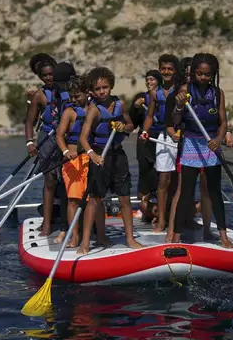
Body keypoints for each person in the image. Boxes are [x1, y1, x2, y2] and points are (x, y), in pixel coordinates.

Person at [171, 53, 233, 248]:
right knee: (186, 193)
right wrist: (178, 105)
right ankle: (176, 236)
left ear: (213, 74)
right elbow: (175, 121)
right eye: (199, 74)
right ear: (193, 74)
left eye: (207, 75)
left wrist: (218, 139)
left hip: (211, 144)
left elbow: (223, 122)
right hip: (191, 143)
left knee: (214, 191)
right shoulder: (185, 90)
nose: (203, 78)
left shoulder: (218, 94)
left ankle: (223, 236)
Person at [78, 67, 144, 255]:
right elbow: (83, 137)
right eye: (98, 89)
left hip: (117, 154)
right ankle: (85, 243)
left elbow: (131, 125)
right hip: (99, 156)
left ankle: (130, 239)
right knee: (94, 200)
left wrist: (124, 127)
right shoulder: (93, 110)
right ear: (92, 91)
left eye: (105, 87)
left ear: (111, 86)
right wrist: (91, 154)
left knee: (124, 198)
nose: (102, 92)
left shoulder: (119, 104)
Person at [24, 55, 72, 236]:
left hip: (68, 138)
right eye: (45, 76)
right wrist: (30, 143)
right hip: (48, 138)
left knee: (68, 180)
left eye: (52, 74)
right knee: (50, 181)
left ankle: (69, 222)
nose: (49, 78)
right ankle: (46, 224)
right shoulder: (39, 95)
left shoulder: (68, 90)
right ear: (40, 77)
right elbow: (29, 122)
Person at [140, 55, 180, 233]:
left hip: (182, 135)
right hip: (163, 137)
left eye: (170, 69)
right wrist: (145, 131)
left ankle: (179, 218)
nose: (166, 72)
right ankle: (162, 220)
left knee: (179, 180)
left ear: (175, 70)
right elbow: (149, 116)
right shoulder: (155, 93)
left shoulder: (181, 90)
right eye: (163, 69)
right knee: (163, 179)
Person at [55, 76, 90, 247]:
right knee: (73, 200)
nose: (74, 100)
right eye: (72, 96)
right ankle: (74, 236)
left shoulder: (94, 109)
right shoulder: (69, 112)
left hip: (89, 159)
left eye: (77, 96)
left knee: (91, 199)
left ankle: (91, 235)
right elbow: (59, 136)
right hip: (73, 161)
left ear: (86, 93)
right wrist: (66, 151)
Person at [129, 71, 161, 205]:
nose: (149, 82)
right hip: (144, 139)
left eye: (152, 79)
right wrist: (135, 108)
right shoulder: (141, 97)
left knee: (159, 170)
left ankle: (159, 199)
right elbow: (133, 121)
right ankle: (143, 201)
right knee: (144, 169)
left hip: (160, 137)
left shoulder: (164, 96)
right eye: (147, 80)